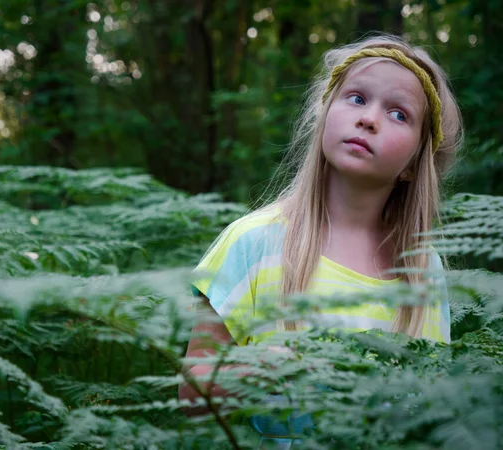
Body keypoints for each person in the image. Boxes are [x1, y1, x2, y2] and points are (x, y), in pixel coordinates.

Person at [179, 34, 463, 448]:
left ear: (414, 163)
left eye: (399, 114)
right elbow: (192, 395)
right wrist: (254, 370)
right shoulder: (254, 242)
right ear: (324, 115)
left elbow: (433, 416)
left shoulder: (422, 270)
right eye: (356, 98)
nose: (369, 119)